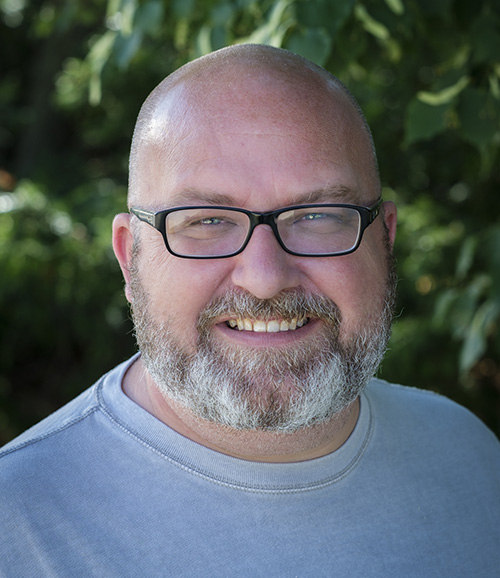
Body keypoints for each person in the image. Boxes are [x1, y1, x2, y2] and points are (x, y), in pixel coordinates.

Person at [1, 44, 499, 577]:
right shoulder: (18, 526)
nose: (264, 278)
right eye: (206, 221)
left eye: (317, 216)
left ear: (385, 241)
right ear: (130, 259)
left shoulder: (471, 458)